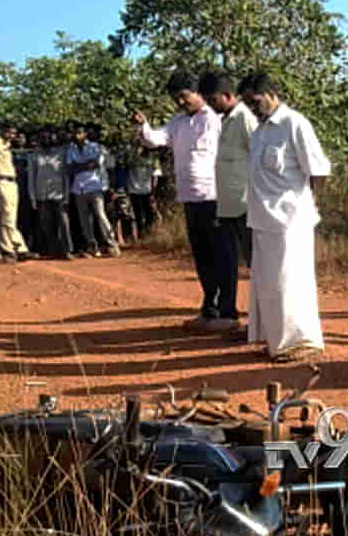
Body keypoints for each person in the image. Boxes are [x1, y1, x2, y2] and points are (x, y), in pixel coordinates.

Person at [242, 73, 331, 363]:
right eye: (247, 103)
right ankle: (274, 339)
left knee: (290, 281)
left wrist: (310, 204)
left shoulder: (295, 124)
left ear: (270, 93)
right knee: (269, 284)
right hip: (262, 219)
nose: (252, 107)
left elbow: (318, 170)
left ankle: (302, 341)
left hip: (290, 220)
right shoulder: (260, 131)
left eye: (254, 101)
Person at [135, 70, 226, 332]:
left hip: (214, 197)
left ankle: (224, 309)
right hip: (190, 198)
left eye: (184, 97)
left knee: (219, 254)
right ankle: (209, 307)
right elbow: (155, 139)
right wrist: (143, 125)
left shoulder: (215, 119)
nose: (180, 103)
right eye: (176, 99)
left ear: (198, 93)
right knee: (201, 255)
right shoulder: (178, 123)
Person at [201, 71, 259, 270]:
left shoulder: (245, 118)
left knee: (256, 262)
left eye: (213, 99)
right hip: (226, 206)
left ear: (227, 95)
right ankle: (228, 302)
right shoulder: (224, 120)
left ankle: (264, 302)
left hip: (245, 206)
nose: (210, 105)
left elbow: (258, 159)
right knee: (228, 261)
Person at [66, 122, 120, 259]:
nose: (76, 135)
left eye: (79, 132)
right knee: (85, 220)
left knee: (101, 216)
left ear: (85, 134)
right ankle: (92, 246)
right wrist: (85, 165)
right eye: (74, 133)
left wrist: (80, 166)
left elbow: (95, 164)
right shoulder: (71, 149)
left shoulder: (96, 147)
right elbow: (70, 169)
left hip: (95, 187)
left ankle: (112, 244)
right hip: (79, 189)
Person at [0, 120, 31, 262]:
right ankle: (20, 247)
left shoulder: (7, 144)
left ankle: (8, 251)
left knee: (8, 217)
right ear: (2, 131)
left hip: (12, 181)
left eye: (14, 133)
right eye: (9, 132)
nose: (12, 135)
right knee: (8, 216)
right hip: (2, 180)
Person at [28, 127, 75, 260]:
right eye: (43, 137)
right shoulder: (34, 155)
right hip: (41, 195)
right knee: (47, 225)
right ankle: (54, 251)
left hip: (59, 194)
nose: (46, 139)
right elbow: (31, 177)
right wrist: (32, 197)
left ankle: (67, 250)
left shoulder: (60, 154)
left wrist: (66, 195)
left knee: (64, 223)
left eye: (49, 137)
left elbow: (65, 175)